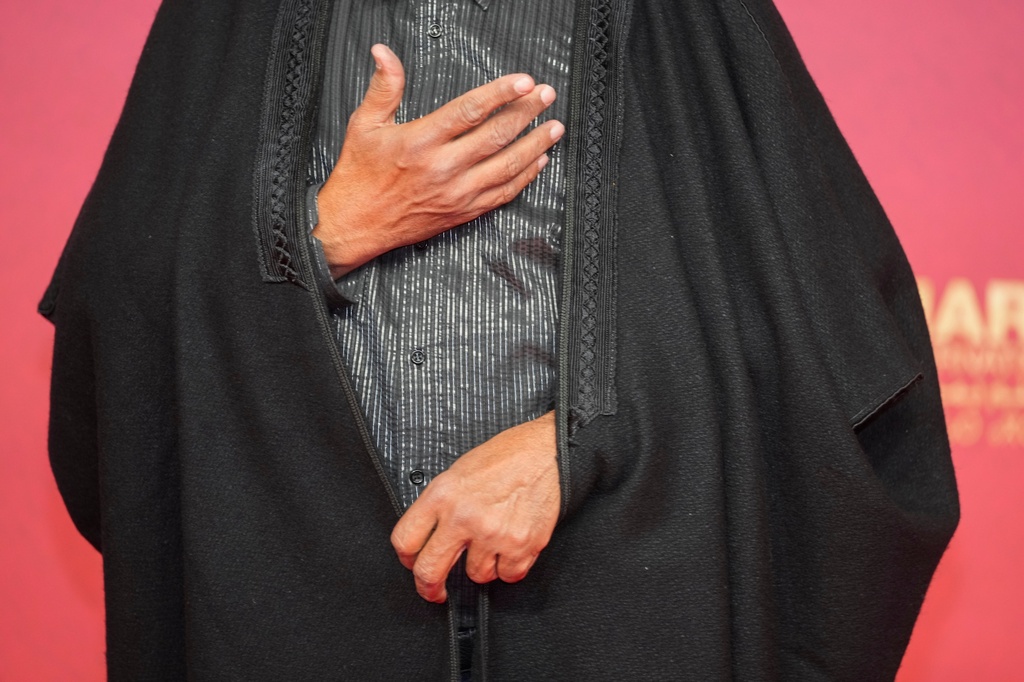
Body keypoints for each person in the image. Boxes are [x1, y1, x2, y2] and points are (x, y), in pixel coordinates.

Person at [40, 0, 959, 679]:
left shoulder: (690, 21)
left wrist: (594, 437)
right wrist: (322, 235)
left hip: (618, 620)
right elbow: (113, 337)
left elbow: (837, 348)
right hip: (300, 625)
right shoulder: (227, 22)